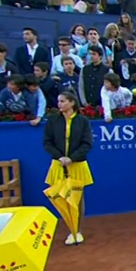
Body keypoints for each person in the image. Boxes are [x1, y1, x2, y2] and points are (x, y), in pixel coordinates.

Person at [43, 91, 93, 245]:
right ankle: (69, 229)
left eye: (63, 101)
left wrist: (72, 158)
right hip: (58, 165)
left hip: (77, 165)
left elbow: (87, 143)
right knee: (61, 199)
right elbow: (47, 142)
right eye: (58, 101)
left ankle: (77, 231)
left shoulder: (83, 121)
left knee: (77, 200)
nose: (59, 104)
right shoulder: (52, 121)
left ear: (72, 103)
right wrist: (60, 157)